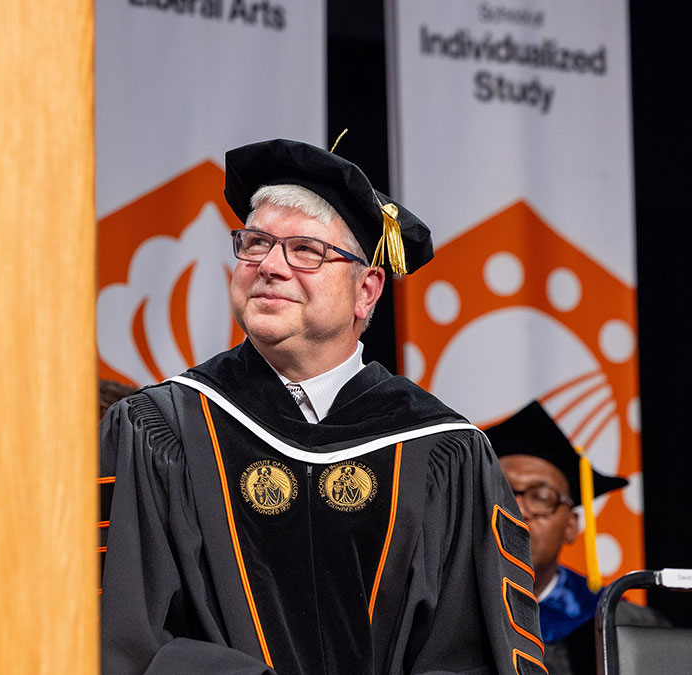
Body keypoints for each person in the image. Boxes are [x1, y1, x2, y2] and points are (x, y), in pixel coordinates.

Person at [99, 139, 544, 674]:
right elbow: (125, 635)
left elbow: (472, 651)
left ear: (367, 291)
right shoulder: (163, 429)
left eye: (306, 250)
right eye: (256, 243)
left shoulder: (442, 452)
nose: (270, 266)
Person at [485, 401, 669, 675]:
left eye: (541, 497)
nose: (518, 510)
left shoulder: (617, 623)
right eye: (501, 493)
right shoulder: (439, 616)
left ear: (571, 526)